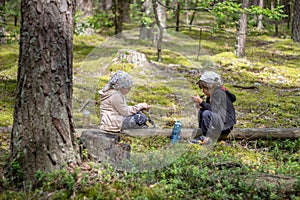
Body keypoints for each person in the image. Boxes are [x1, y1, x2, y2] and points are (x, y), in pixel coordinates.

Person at [189, 71, 236, 144]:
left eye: (203, 88)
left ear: (209, 87)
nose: (202, 91)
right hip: (221, 121)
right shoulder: (211, 96)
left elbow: (213, 109)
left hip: (226, 125)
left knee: (206, 113)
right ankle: (202, 133)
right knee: (202, 111)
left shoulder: (219, 94)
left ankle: (206, 138)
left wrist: (201, 102)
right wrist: (201, 104)